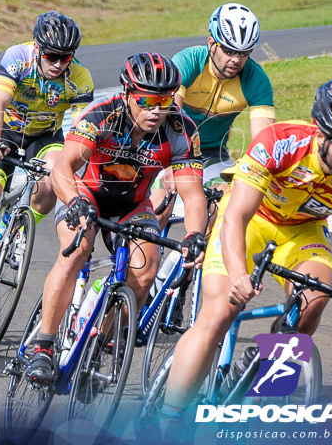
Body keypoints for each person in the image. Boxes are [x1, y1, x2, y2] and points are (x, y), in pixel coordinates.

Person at [160, 78, 332, 422]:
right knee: (221, 311)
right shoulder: (281, 142)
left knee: (314, 299)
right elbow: (236, 215)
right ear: (322, 135)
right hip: (251, 219)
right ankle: (166, 420)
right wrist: (238, 275)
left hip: (302, 231)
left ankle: (263, 398)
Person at [25, 52, 209, 383]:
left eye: (165, 101)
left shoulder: (181, 130)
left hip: (133, 205)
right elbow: (64, 168)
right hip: (85, 194)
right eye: (148, 101)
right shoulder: (102, 116)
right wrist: (76, 202)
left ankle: (99, 345)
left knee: (146, 269)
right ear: (127, 93)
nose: (157, 110)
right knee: (78, 249)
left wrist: (195, 234)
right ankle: (44, 345)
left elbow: (193, 194)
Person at [0, 12, 94, 315]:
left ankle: (18, 228)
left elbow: (81, 132)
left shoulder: (79, 77)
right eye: (51, 56)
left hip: (44, 136)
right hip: (5, 132)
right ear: (38, 48)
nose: (58, 64)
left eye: (66, 57)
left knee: (54, 176)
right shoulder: (17, 57)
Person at [151, 3, 274, 218]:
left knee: (219, 210)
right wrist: (170, 163)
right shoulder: (188, 61)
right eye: (228, 50)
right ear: (211, 43)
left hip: (211, 154)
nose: (236, 59)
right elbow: (169, 116)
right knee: (158, 210)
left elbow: (264, 140)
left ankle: (194, 252)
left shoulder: (256, 80)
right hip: (168, 147)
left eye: (244, 53)